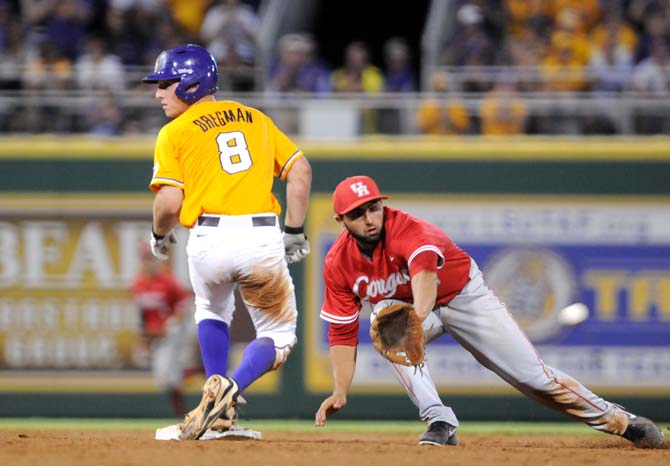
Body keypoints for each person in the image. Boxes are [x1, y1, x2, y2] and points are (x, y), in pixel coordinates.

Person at [314, 175, 665, 449]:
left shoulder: (410, 229)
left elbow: (425, 278)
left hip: (463, 296)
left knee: (534, 378)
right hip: (410, 309)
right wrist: (340, 390)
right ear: (341, 219)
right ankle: (439, 420)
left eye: (373, 207)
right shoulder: (337, 263)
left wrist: (417, 319)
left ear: (382, 205)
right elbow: (342, 332)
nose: (369, 218)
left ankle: (620, 421)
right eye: (358, 213)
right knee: (387, 324)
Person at [143, 43, 312, 440]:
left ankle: (216, 410)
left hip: (206, 238)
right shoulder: (256, 119)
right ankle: (229, 392)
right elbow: (300, 171)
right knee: (279, 335)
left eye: (165, 84)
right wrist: (294, 230)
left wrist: (158, 234)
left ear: (189, 84)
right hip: (258, 236)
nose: (157, 93)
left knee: (210, 312)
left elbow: (169, 201)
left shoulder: (175, 132)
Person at [131, 242, 192, 418]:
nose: (149, 262)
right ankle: (195, 372)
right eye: (145, 258)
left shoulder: (167, 280)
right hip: (155, 335)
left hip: (173, 331)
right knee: (164, 379)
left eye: (151, 258)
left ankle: (181, 415)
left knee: (168, 374)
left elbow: (183, 303)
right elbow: (141, 314)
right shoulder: (139, 283)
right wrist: (142, 337)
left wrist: (172, 322)